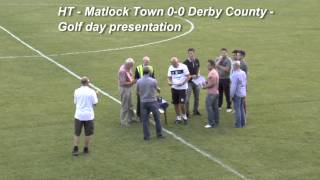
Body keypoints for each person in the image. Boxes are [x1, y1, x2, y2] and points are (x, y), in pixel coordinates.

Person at [72, 76, 98, 156]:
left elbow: (75, 102)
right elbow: (95, 103)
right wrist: (97, 95)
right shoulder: (92, 91)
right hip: (88, 116)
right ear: (87, 82)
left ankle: (75, 148)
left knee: (77, 133)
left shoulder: (76, 91)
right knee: (88, 133)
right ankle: (86, 148)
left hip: (79, 115)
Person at [136, 66, 164, 140]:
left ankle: (146, 136)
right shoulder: (153, 81)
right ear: (149, 72)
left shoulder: (139, 81)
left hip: (143, 102)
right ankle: (159, 134)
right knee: (157, 118)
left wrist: (142, 95)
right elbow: (157, 89)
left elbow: (137, 92)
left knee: (145, 120)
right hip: (153, 102)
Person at [167, 57, 190, 125]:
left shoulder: (184, 66)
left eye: (175, 63)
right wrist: (169, 82)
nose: (174, 65)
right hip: (174, 88)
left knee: (182, 104)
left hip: (182, 88)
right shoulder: (170, 67)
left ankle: (184, 117)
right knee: (175, 103)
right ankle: (178, 117)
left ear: (178, 61)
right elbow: (169, 77)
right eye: (172, 64)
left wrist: (183, 83)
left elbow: (188, 76)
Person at [118, 58, 136, 127]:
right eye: (131, 65)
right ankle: (123, 122)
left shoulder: (128, 68)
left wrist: (132, 81)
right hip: (124, 89)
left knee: (130, 104)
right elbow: (122, 83)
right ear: (128, 64)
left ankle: (131, 118)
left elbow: (130, 76)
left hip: (129, 88)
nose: (132, 67)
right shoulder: (122, 71)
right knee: (125, 105)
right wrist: (132, 82)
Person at [183, 48, 201, 117]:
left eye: (192, 53)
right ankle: (187, 112)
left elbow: (198, 68)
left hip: (196, 81)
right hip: (189, 82)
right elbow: (184, 75)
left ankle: (196, 111)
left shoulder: (196, 60)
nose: (191, 55)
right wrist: (191, 76)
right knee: (187, 98)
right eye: (190, 53)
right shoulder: (185, 63)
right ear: (188, 54)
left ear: (194, 53)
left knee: (197, 97)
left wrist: (198, 74)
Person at [202, 60, 220, 128]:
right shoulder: (214, 71)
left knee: (209, 107)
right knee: (215, 108)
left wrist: (204, 87)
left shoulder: (212, 73)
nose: (207, 66)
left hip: (211, 94)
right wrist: (206, 82)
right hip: (216, 92)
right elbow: (210, 81)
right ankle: (216, 121)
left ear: (212, 66)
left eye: (208, 65)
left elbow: (212, 84)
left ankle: (211, 123)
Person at [230, 61, 247, 128]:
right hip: (243, 92)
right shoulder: (243, 73)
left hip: (237, 93)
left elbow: (233, 86)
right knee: (241, 108)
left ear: (235, 66)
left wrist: (231, 95)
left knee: (237, 109)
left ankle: (238, 124)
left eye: (233, 66)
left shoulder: (234, 75)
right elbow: (245, 82)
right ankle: (243, 123)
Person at [215, 48, 233, 112]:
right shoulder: (218, 59)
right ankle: (219, 105)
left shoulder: (228, 60)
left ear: (227, 53)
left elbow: (227, 69)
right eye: (222, 53)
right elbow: (215, 66)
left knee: (227, 93)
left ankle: (229, 106)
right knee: (219, 93)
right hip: (219, 79)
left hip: (226, 79)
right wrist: (219, 61)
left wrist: (219, 66)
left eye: (224, 53)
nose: (223, 54)